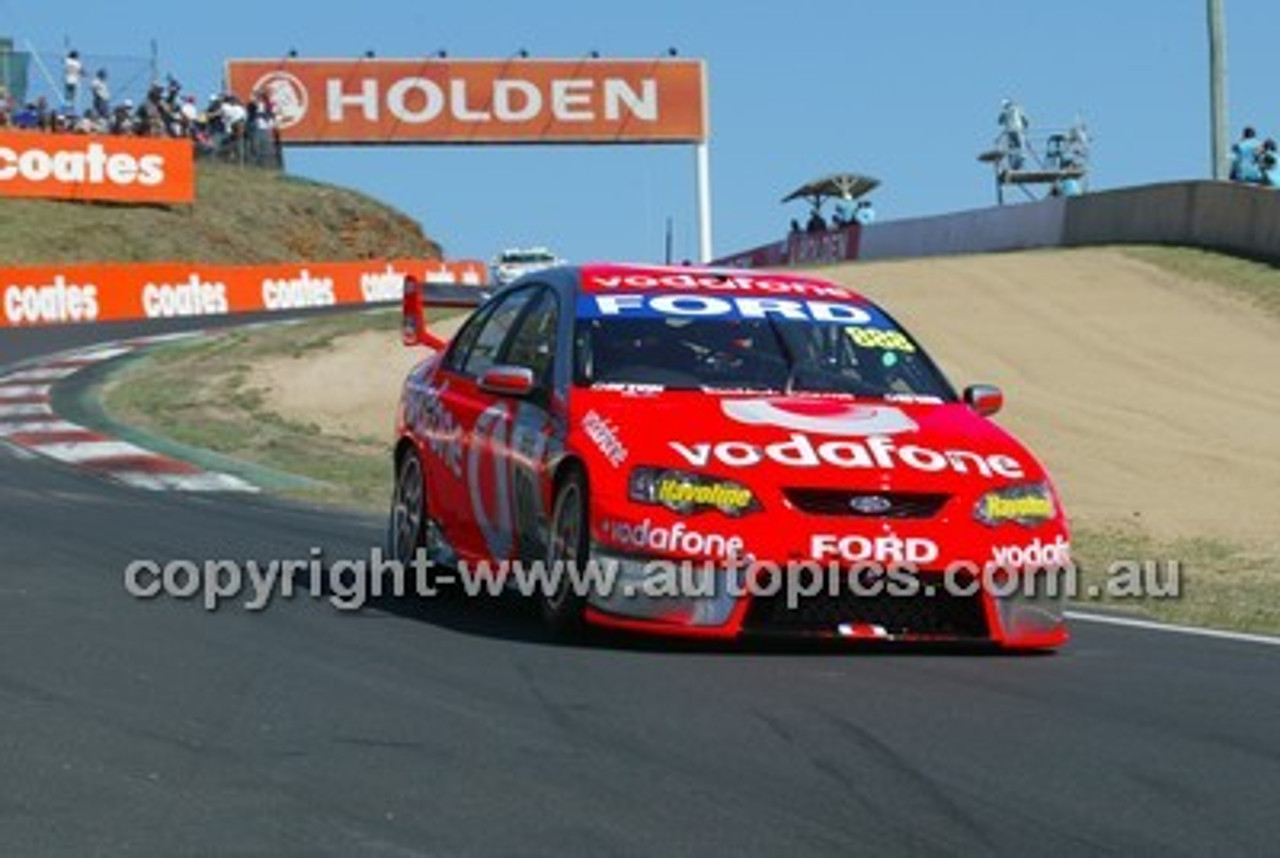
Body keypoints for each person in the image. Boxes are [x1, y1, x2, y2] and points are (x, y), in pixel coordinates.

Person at [998, 98, 1029, 170]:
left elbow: (999, 121)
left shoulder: (1005, 111)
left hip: (1009, 131)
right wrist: (1026, 126)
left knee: (1012, 147)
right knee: (1020, 145)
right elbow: (1025, 120)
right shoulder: (1018, 108)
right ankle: (1021, 161)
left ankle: (1012, 163)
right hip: (1018, 129)